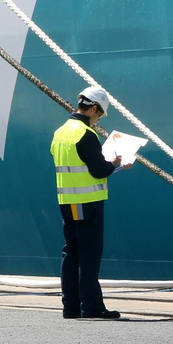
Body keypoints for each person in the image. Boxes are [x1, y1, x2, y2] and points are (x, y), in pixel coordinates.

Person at [51, 85, 130, 320]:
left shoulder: (60, 132)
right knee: (89, 254)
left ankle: (71, 307)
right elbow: (97, 170)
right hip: (88, 201)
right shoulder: (86, 134)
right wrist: (115, 164)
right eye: (100, 115)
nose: (98, 120)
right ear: (94, 108)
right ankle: (92, 307)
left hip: (67, 201)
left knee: (71, 252)